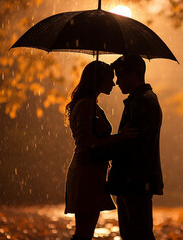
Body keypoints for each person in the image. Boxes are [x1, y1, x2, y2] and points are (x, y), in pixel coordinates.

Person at [64, 61, 137, 240]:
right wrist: (120, 137)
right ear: (98, 79)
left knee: (86, 230)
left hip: (93, 172)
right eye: (109, 79)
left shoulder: (91, 105)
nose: (113, 83)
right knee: (84, 231)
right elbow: (87, 141)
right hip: (86, 173)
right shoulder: (86, 106)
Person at [108, 55, 164, 240]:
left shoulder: (140, 102)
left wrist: (100, 150)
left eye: (119, 76)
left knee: (136, 232)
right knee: (136, 231)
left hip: (133, 180)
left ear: (132, 74)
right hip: (137, 179)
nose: (116, 82)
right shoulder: (146, 98)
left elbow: (131, 144)